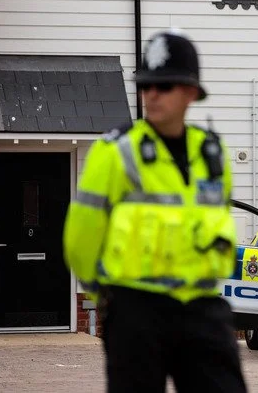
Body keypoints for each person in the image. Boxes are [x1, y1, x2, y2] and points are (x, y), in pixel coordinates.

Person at [63, 29, 247, 393]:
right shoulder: (114, 152)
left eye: (163, 85)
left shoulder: (213, 154)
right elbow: (81, 237)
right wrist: (106, 298)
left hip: (201, 307)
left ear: (190, 92)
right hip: (135, 310)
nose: (151, 94)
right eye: (146, 86)